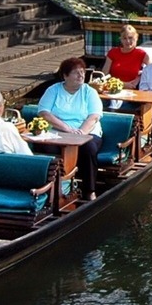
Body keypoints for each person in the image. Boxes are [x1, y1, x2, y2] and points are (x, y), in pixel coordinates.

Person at [36, 57, 104, 200]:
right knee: (48, 149)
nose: (81, 75)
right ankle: (54, 189)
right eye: (76, 73)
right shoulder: (53, 90)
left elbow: (94, 116)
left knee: (89, 148)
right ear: (65, 76)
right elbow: (44, 112)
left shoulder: (89, 92)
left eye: (82, 72)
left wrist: (81, 134)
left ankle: (89, 190)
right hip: (58, 132)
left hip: (86, 132)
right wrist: (66, 128)